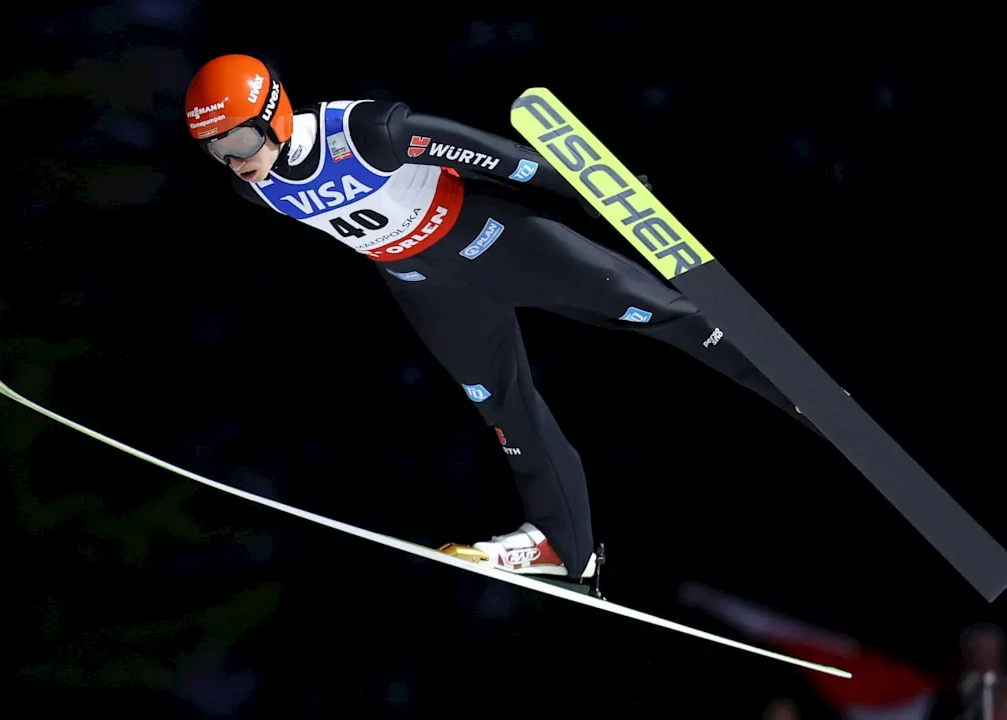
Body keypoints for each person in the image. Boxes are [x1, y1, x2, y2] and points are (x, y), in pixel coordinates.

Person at [184, 53, 820, 583]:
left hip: (494, 240)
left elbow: (493, 156)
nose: (234, 160)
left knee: (658, 310)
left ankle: (799, 393)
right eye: (215, 150)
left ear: (276, 112)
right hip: (425, 288)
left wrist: (589, 189)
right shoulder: (252, 185)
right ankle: (565, 546)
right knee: (504, 409)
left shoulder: (369, 133)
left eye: (238, 140)